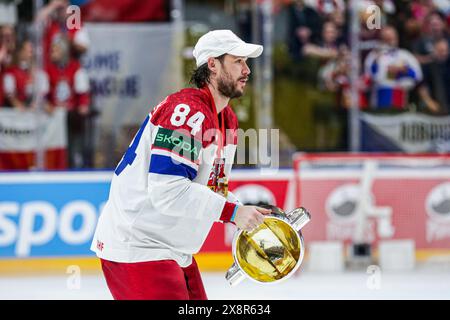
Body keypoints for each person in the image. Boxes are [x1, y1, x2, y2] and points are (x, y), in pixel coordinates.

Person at [90, 30, 271, 300]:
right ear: (212, 64)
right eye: (238, 61)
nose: (246, 70)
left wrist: (245, 212)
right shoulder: (186, 111)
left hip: (172, 250)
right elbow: (168, 191)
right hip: (139, 248)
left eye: (246, 63)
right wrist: (233, 213)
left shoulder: (227, 119)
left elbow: (210, 188)